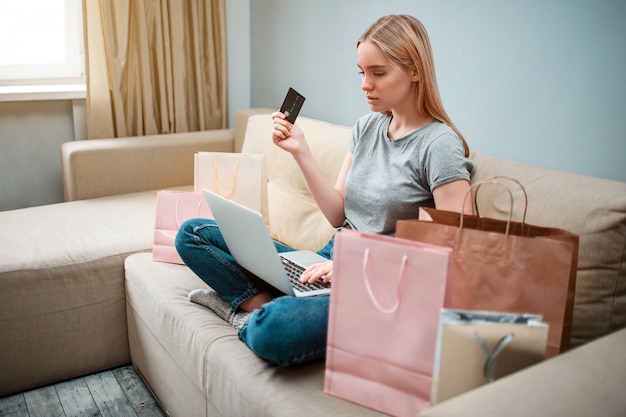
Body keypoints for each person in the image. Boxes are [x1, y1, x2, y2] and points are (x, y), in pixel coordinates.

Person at [175, 14, 473, 366]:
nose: (365, 84)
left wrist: (361, 262)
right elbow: (336, 214)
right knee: (191, 234)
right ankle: (267, 304)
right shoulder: (366, 127)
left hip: (378, 282)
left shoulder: (439, 145)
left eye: (378, 73)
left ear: (415, 71)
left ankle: (249, 311)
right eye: (362, 72)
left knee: (274, 331)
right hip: (331, 257)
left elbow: (458, 248)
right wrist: (300, 150)